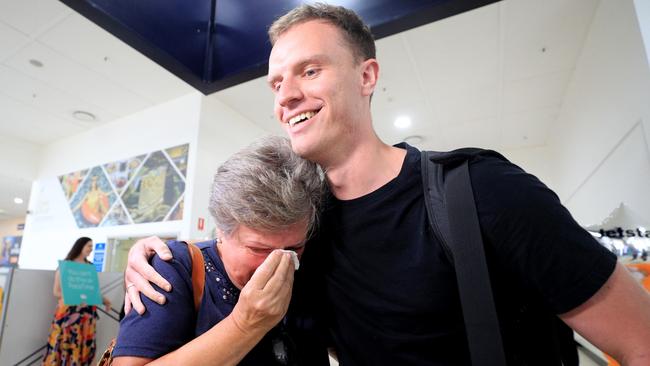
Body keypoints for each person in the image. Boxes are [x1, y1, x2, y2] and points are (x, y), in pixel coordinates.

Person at [124, 4, 650, 365]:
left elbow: (639, 341)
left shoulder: (482, 192)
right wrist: (156, 253)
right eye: (277, 82)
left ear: (367, 76)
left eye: (309, 71)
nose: (286, 95)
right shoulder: (306, 224)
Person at [112, 136, 328, 365]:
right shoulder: (175, 266)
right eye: (258, 248)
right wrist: (245, 325)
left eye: (295, 247)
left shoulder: (313, 262)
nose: (281, 263)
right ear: (222, 231)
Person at [43, 237, 112, 366]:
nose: (91, 249)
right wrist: (74, 298)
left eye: (92, 246)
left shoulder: (90, 267)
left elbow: (91, 291)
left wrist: (105, 301)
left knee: (84, 346)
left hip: (86, 315)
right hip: (68, 314)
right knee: (65, 343)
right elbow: (56, 292)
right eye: (89, 246)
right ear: (80, 246)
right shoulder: (66, 265)